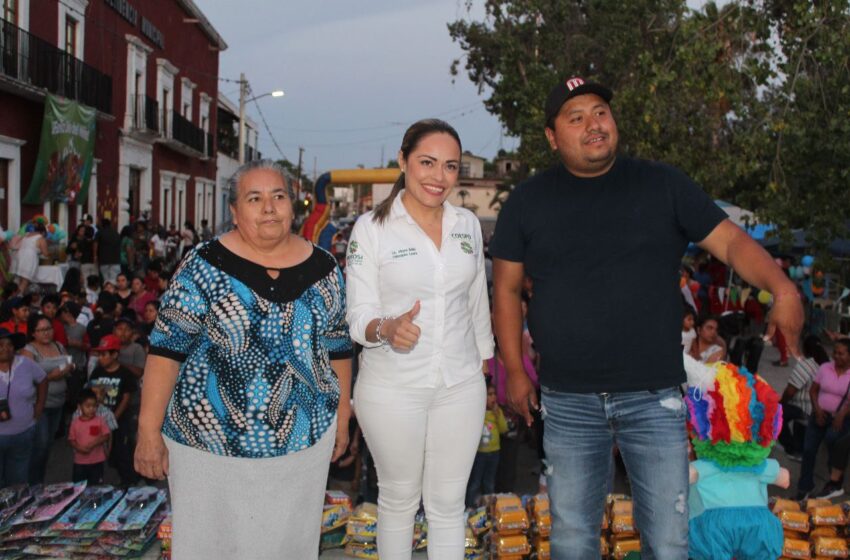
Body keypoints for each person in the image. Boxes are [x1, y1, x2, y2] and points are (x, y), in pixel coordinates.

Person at [489, 76, 803, 559]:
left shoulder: (663, 184)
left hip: (654, 399)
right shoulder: (528, 201)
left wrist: (782, 287)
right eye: (576, 117)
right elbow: (507, 288)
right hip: (567, 400)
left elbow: (732, 242)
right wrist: (513, 369)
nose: (593, 124)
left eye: (600, 112)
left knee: (669, 540)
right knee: (572, 539)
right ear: (552, 137)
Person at [135, 159, 353, 559]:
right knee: (210, 547)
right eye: (255, 198)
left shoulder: (324, 267)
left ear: (293, 205)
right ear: (234, 211)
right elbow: (165, 351)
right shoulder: (202, 265)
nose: (269, 207)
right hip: (207, 449)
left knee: (288, 546)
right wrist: (148, 432)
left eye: (278, 196)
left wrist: (342, 418)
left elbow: (338, 346)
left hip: (302, 445)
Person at [346, 119, 493, 559]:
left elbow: (475, 300)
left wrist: (485, 364)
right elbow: (357, 316)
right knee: (399, 501)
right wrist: (386, 328)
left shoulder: (467, 224)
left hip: (461, 384)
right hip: (392, 388)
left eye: (450, 166)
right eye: (427, 163)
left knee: (449, 505)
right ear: (403, 161)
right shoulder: (371, 228)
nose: (439, 176)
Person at [20, 313, 74, 483]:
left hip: (58, 403)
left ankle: (39, 481)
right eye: (41, 330)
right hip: (39, 405)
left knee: (48, 444)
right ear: (33, 333)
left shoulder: (58, 345)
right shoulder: (29, 350)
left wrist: (68, 369)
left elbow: (69, 363)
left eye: (48, 329)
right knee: (40, 446)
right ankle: (32, 483)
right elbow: (28, 377)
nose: (46, 333)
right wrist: (52, 376)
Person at [796, 337, 850, 499]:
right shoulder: (825, 368)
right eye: (835, 352)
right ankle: (804, 488)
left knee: (833, 438)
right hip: (819, 414)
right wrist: (817, 410)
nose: (836, 356)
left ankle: (834, 482)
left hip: (841, 417)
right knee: (808, 449)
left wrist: (841, 415)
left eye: (841, 353)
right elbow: (813, 390)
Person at [0, 327, 46, 487]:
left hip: (23, 433)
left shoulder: (26, 364)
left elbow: (42, 379)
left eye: (9, 344)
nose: (5, 348)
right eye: (0, 345)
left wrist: (39, 406)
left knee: (18, 482)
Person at [88, 334, 136, 486]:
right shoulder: (97, 372)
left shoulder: (125, 374)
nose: (101, 358)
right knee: (98, 450)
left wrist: (113, 418)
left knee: (122, 450)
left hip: (119, 420)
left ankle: (128, 482)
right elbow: (92, 396)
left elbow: (126, 398)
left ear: (115, 354)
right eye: (99, 354)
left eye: (104, 354)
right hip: (99, 419)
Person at [777, 335, 830, 459]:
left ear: (805, 349)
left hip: (806, 409)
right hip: (820, 409)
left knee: (775, 413)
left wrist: (781, 403)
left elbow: (790, 392)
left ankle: (791, 449)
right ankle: (798, 448)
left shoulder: (805, 365)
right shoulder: (827, 364)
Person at [466, 380, 508, 507]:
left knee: (489, 482)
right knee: (476, 482)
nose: (493, 397)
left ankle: (489, 508)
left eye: (494, 394)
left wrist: (498, 415)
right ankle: (469, 506)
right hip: (480, 453)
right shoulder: (478, 412)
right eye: (489, 395)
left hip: (494, 451)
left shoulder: (497, 412)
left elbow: (503, 429)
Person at [68, 388, 112, 484]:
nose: (92, 409)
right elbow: (71, 440)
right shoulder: (75, 423)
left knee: (96, 486)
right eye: (88, 406)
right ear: (79, 407)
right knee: (79, 486)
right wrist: (79, 448)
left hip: (97, 460)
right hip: (80, 461)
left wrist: (94, 443)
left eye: (94, 406)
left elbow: (106, 435)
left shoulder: (100, 420)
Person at [10, 223, 49, 294]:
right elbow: (45, 253)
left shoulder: (27, 235)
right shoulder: (40, 238)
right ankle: (17, 299)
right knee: (25, 281)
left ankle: (13, 296)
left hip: (19, 257)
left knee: (19, 280)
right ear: (43, 232)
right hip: (29, 259)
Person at [94, 218, 122, 285]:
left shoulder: (100, 232)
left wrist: (95, 256)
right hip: (116, 260)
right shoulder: (116, 233)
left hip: (104, 260)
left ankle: (107, 292)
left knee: (106, 279)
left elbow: (95, 244)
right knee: (114, 279)